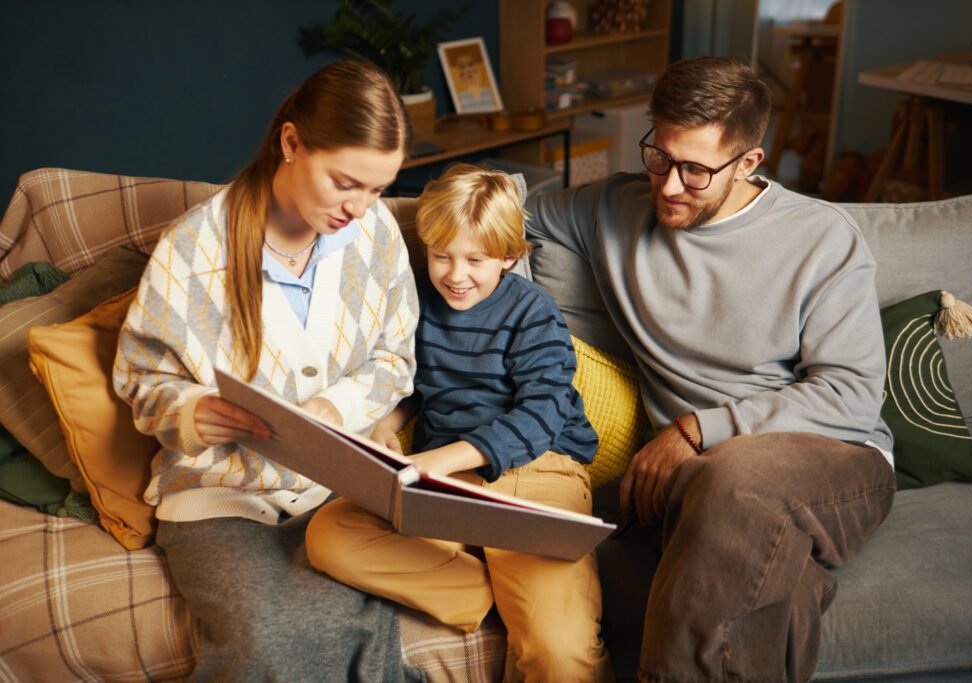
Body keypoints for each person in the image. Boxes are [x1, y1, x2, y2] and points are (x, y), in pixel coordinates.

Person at [525, 56, 898, 682]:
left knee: (732, 476)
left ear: (749, 162)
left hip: (837, 460)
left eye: (696, 171)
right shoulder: (612, 210)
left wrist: (699, 429)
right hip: (695, 489)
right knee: (770, 572)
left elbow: (852, 395)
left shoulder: (821, 239)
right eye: (660, 157)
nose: (669, 186)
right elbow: (506, 211)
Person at [113, 60, 424, 681]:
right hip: (217, 497)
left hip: (335, 486)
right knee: (263, 646)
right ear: (291, 143)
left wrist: (330, 414)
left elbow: (396, 358)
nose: (361, 208)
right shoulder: (194, 249)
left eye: (379, 189)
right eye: (346, 182)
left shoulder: (377, 236)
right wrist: (195, 413)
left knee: (351, 633)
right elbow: (144, 381)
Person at [306, 163, 614, 683]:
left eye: (476, 259)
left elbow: (542, 413)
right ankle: (485, 587)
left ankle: (523, 586)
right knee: (329, 534)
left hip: (537, 474)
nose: (456, 274)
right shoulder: (418, 305)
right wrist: (389, 419)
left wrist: (436, 461)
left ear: (510, 257)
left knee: (560, 654)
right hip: (448, 486)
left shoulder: (533, 312)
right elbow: (417, 384)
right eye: (442, 255)